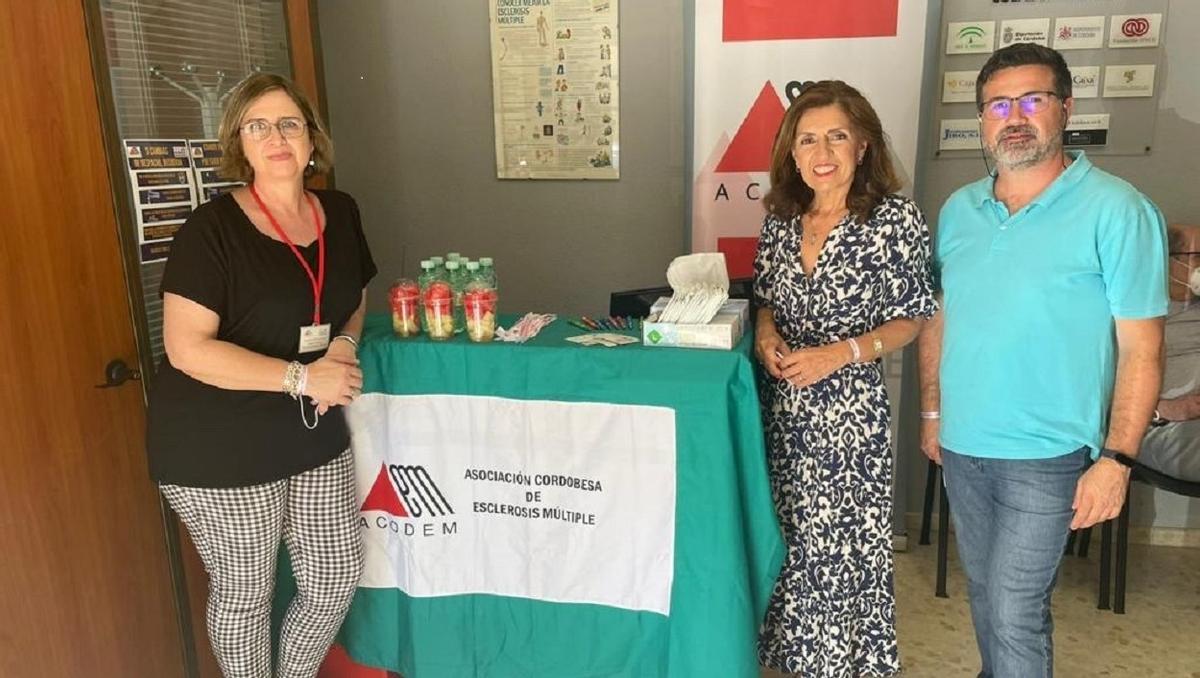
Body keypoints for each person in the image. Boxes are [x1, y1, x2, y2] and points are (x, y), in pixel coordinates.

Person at [917, 44, 1167, 678]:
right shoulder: (958, 211)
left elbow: (1143, 347)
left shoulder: (1118, 210)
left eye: (1033, 100)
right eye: (998, 104)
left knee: (1013, 605)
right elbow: (939, 318)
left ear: (1066, 109)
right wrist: (931, 412)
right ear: (982, 118)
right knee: (987, 596)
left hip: (1050, 455)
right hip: (964, 444)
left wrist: (1117, 460)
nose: (1015, 116)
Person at [146, 73, 377, 678]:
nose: (276, 137)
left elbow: (354, 295)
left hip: (311, 427)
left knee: (334, 575)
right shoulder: (211, 229)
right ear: (239, 144)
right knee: (246, 593)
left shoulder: (342, 211)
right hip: (219, 439)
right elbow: (187, 349)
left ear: (310, 139)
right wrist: (303, 379)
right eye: (258, 126)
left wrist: (344, 346)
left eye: (289, 124)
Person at [753, 80, 938, 676]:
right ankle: (789, 658)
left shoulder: (893, 219)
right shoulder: (781, 219)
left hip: (848, 416)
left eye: (836, 135)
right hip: (778, 409)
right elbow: (763, 298)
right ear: (791, 151)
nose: (821, 150)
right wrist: (763, 333)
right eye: (807, 139)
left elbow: (913, 316)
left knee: (838, 553)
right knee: (786, 542)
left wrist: (842, 352)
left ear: (862, 145)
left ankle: (839, 663)